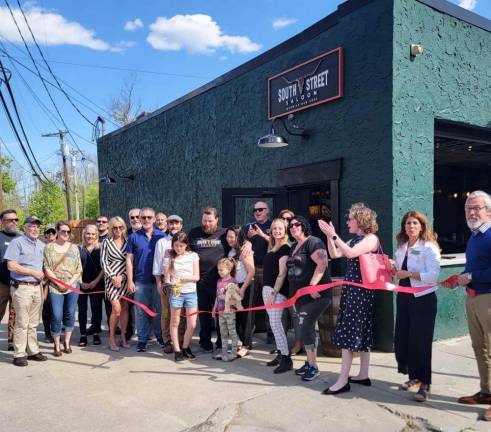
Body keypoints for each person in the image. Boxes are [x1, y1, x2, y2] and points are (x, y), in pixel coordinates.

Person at [319, 203, 380, 394]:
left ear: (360, 220)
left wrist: (334, 236)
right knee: (360, 332)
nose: (347, 222)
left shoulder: (371, 239)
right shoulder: (356, 239)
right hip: (353, 291)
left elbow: (350, 253)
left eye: (350, 219)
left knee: (349, 335)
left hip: (360, 293)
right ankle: (363, 374)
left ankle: (343, 380)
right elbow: (336, 253)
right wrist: (330, 237)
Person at [451, 190, 491, 422]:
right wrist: (461, 278)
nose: (472, 212)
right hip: (473, 297)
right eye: (469, 208)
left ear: (488, 211)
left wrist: (472, 275)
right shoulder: (475, 235)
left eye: (477, 208)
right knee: (480, 348)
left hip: (488, 298)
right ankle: (486, 392)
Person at [392, 211, 440, 402]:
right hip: (403, 298)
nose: (411, 226)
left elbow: (433, 276)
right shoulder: (402, 247)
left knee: (421, 341)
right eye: (408, 223)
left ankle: (425, 384)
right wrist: (392, 269)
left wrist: (409, 274)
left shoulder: (428, 247)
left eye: (415, 223)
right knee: (404, 339)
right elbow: (398, 272)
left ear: (422, 226)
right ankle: (414, 377)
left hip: (423, 299)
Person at [287, 216, 330, 381]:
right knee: (307, 328)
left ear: (304, 226)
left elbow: (322, 264)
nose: (293, 227)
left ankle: (314, 367)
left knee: (305, 327)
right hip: (299, 297)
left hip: (316, 295)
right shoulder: (293, 247)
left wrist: (312, 285)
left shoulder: (313, 242)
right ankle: (308, 361)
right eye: (290, 226)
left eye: (297, 224)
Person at [5, 216, 47, 366]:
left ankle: (33, 351)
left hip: (37, 288)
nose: (35, 229)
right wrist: (32, 272)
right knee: (22, 322)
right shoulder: (17, 243)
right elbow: (11, 265)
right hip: (22, 287)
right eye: (32, 226)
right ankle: (19, 354)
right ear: (25, 228)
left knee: (34, 322)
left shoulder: (42, 245)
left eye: (37, 226)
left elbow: (44, 266)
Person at [188, 207, 228, 352]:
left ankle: (220, 342)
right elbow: (186, 251)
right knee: (204, 313)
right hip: (200, 281)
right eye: (204, 220)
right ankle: (205, 341)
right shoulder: (194, 232)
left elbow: (239, 242)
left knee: (220, 314)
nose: (207, 223)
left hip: (220, 281)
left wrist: (248, 243)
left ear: (216, 219)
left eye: (210, 221)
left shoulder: (224, 233)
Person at [126, 207, 165, 352]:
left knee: (159, 311)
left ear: (154, 219)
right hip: (140, 281)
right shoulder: (133, 237)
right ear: (140, 219)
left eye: (149, 217)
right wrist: (130, 280)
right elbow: (129, 260)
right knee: (141, 312)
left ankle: (160, 337)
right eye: (143, 218)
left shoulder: (162, 236)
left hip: (158, 282)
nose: (146, 220)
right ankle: (142, 340)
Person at [43, 221, 82, 357]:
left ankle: (66, 342)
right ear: (57, 232)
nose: (65, 234)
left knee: (70, 313)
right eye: (62, 231)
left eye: (68, 232)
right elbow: (47, 267)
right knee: (56, 315)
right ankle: (56, 343)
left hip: (72, 285)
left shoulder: (74, 248)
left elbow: (79, 269)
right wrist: (58, 282)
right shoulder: (49, 248)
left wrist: (70, 283)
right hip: (55, 286)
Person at [164, 232, 199, 361]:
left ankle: (185, 347)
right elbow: (167, 279)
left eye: (181, 246)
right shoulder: (170, 258)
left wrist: (183, 278)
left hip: (190, 292)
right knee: (175, 322)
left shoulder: (193, 256)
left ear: (186, 245)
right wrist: (170, 284)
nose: (178, 248)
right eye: (176, 246)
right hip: (177, 293)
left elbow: (196, 277)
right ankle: (177, 350)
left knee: (192, 323)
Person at [262, 218, 292, 373]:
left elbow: (282, 274)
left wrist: (274, 293)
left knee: (275, 324)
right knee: (274, 325)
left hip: (277, 291)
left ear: (285, 230)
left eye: (280, 228)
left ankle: (287, 359)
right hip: (267, 289)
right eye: (274, 229)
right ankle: (280, 354)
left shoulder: (285, 248)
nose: (277, 231)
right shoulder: (273, 246)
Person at [153, 214, 186, 354]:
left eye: (176, 223)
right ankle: (167, 340)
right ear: (167, 225)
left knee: (182, 312)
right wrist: (159, 284)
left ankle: (181, 339)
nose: (173, 226)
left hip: (182, 283)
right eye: (171, 223)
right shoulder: (161, 242)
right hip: (166, 283)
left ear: (181, 225)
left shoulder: (186, 241)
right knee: (166, 313)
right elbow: (157, 265)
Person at [225, 225, 255, 358]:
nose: (229, 239)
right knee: (235, 316)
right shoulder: (231, 252)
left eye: (232, 236)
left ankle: (246, 345)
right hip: (234, 287)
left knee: (246, 317)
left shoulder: (244, 250)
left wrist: (242, 289)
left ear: (239, 237)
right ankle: (239, 341)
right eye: (228, 236)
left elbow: (251, 271)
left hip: (245, 285)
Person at [101, 217, 129, 351]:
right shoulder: (106, 242)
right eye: (115, 227)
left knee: (124, 308)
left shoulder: (128, 241)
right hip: (111, 280)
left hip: (125, 278)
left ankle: (123, 337)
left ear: (123, 227)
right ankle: (111, 338)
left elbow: (130, 261)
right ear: (111, 228)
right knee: (116, 309)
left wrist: (123, 277)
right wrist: (113, 277)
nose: (118, 230)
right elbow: (104, 262)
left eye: (120, 227)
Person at [278, 209, 302, 354]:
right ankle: (282, 345)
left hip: (294, 282)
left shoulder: (296, 239)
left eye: (289, 219)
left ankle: (298, 344)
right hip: (282, 281)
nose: (287, 222)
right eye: (283, 219)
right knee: (281, 315)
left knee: (295, 314)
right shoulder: (279, 238)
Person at [77, 224, 104, 347]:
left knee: (96, 309)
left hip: (97, 284)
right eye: (88, 233)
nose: (90, 236)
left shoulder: (101, 249)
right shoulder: (77, 248)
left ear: (96, 235)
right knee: (82, 310)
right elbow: (75, 267)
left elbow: (104, 268)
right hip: (81, 283)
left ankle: (96, 333)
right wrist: (81, 282)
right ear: (84, 234)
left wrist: (95, 282)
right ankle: (83, 334)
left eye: (93, 234)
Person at [212, 258, 242, 362]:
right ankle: (224, 352)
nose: (219, 272)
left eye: (221, 270)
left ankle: (233, 352)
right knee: (223, 333)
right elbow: (217, 296)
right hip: (220, 312)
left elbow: (235, 297)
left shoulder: (233, 282)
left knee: (232, 332)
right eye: (218, 270)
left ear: (229, 269)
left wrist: (224, 297)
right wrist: (214, 309)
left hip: (230, 312)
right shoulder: (219, 281)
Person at [0, 209, 21, 351]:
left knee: (15, 314)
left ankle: (12, 342)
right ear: (2, 222)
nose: (14, 222)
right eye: (10, 220)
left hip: (17, 283)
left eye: (16, 220)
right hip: (1, 283)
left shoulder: (21, 239)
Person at [41, 223, 56, 343]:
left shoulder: (60, 248)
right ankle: (47, 333)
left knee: (57, 310)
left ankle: (56, 331)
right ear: (45, 235)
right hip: (45, 283)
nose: (50, 234)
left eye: (53, 232)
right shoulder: (40, 248)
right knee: (46, 310)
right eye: (48, 232)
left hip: (59, 284)